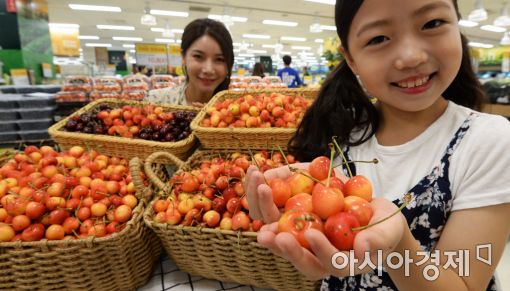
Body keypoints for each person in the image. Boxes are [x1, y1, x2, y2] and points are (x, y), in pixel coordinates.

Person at [245, 1, 510, 290]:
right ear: (351, 59)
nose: (410, 57)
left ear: (457, 23)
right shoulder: (345, 133)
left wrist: (398, 245)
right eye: (379, 38)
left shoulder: (488, 141)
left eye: (432, 23)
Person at [145, 18, 234, 107]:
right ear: (183, 56)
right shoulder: (155, 101)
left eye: (219, 59)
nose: (208, 69)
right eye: (198, 56)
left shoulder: (236, 111)